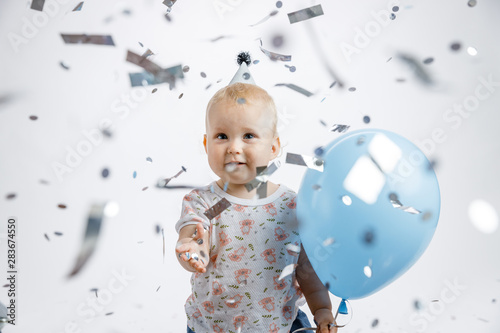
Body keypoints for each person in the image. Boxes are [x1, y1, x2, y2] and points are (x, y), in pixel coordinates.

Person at [175, 53, 337, 333]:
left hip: (282, 325)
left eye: (248, 136)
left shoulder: (290, 206)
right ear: (206, 143)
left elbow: (306, 269)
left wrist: (321, 309)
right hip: (212, 328)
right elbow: (194, 230)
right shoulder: (206, 203)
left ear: (274, 147)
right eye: (221, 136)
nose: (233, 147)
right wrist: (192, 249)